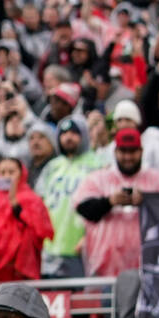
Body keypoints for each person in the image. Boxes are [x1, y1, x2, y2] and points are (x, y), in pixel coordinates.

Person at [74, 128, 159, 278]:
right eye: (123, 151)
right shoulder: (99, 179)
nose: (128, 157)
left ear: (141, 151)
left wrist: (147, 200)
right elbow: (83, 207)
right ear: (115, 152)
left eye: (133, 151)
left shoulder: (157, 179)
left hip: (151, 272)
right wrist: (109, 201)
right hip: (106, 273)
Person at [35, 116, 102, 279]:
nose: (68, 137)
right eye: (64, 133)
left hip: (81, 248)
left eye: (74, 133)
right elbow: (38, 203)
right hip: (50, 248)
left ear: (84, 135)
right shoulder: (52, 167)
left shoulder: (98, 164)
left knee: (81, 302)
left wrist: (89, 236)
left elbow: (104, 207)